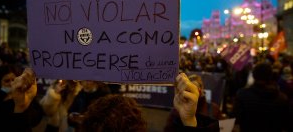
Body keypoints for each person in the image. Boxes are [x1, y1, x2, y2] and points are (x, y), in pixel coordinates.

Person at [80, 73, 219, 132]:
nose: (194, 90)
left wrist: (188, 120)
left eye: (197, 86)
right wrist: (188, 122)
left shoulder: (214, 109)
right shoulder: (176, 115)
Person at [234, 62, 290, 132]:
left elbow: (236, 119)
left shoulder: (242, 95)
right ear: (270, 76)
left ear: (254, 75)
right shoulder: (282, 98)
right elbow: (286, 124)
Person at [0, 65, 43, 132]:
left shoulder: (24, 94)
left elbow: (35, 120)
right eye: (7, 81)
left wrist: (25, 104)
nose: (11, 83)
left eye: (13, 80)